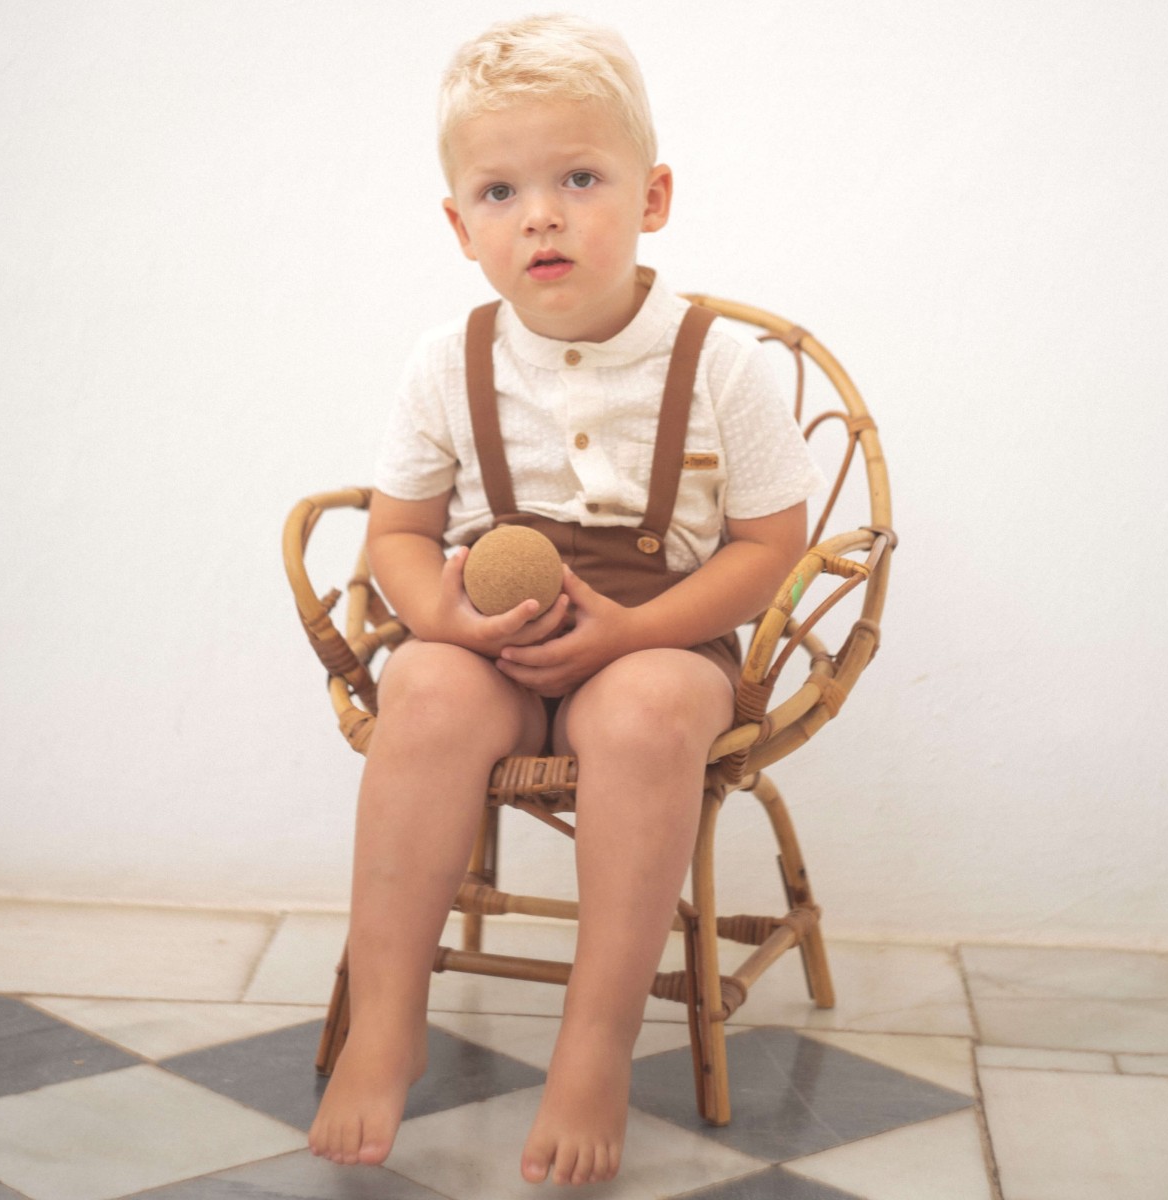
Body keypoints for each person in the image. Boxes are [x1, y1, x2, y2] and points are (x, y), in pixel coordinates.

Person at [307, 13, 825, 1186]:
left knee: (641, 719)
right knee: (422, 692)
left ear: (653, 197)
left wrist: (642, 628)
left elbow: (773, 545)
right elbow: (399, 534)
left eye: (579, 177)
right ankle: (388, 1019)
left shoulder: (717, 361)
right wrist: (442, 621)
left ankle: (593, 1046)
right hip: (493, 632)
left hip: (663, 633)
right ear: (460, 226)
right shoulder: (450, 361)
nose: (540, 213)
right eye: (500, 190)